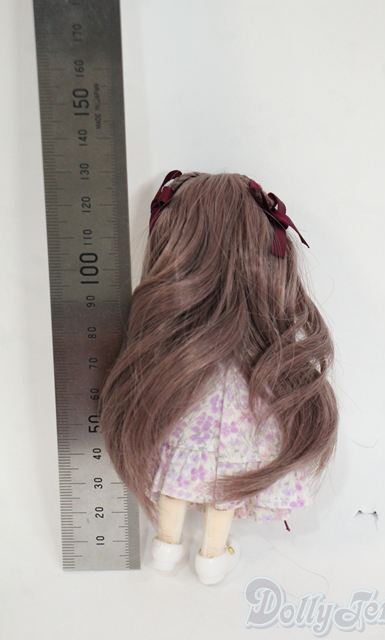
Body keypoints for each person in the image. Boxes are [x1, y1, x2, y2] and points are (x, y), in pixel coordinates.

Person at [98, 170, 338, 585]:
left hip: (181, 404)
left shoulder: (176, 359)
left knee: (177, 478)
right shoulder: (258, 363)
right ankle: (211, 556)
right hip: (236, 433)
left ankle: (166, 545)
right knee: (225, 488)